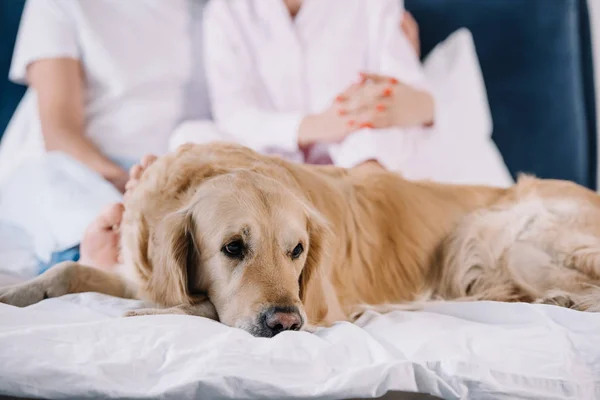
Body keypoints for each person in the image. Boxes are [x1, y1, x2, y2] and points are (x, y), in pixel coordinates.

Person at [79, 0, 514, 272]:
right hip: (268, 168)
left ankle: (362, 248)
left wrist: (381, 102)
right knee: (192, 136)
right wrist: (314, 126)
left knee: (374, 140)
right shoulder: (228, 12)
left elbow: (398, 86)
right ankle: (156, 248)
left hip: (354, 168)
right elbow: (235, 110)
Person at [0, 0, 211, 191]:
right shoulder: (60, 4)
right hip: (83, 175)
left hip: (181, 179)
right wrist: (132, 187)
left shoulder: (219, 10)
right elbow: (60, 132)